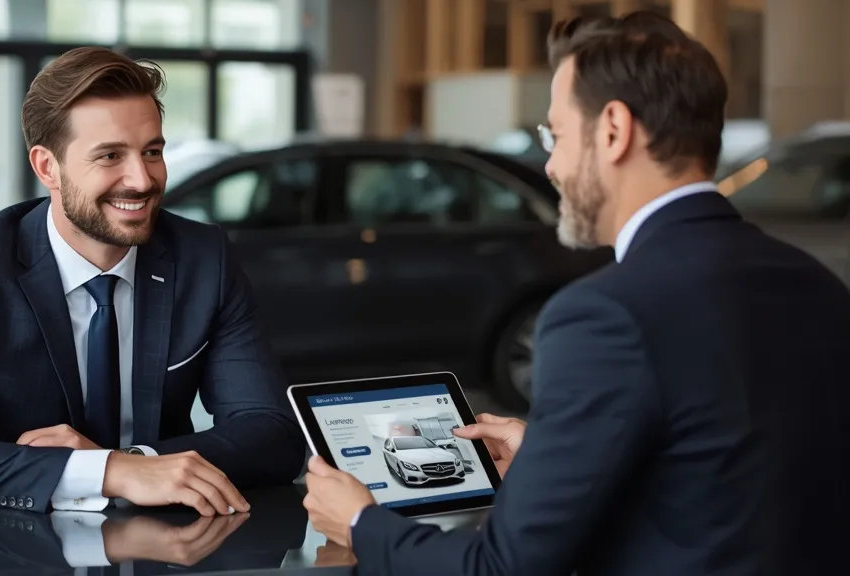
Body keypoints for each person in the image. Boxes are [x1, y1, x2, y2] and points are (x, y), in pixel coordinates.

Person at [302, 11, 850, 576]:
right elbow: (722, 482)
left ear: (613, 130)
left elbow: (501, 569)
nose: (551, 165)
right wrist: (553, 452)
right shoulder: (818, 285)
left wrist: (363, 523)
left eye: (556, 135)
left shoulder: (603, 315)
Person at [0, 47, 306, 514]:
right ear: (48, 167)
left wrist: (141, 463)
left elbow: (273, 433)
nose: (142, 179)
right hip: (14, 548)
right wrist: (111, 472)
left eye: (152, 152)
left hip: (159, 546)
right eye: (110, 156)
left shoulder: (204, 258)